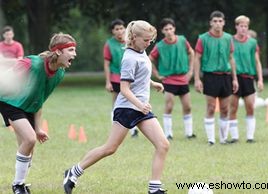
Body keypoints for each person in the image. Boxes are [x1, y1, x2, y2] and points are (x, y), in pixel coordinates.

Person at [63, 20, 169, 194]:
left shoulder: (141, 52)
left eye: (151, 40)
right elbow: (124, 88)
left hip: (141, 108)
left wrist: (152, 83)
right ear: (134, 38)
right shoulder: (129, 57)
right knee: (110, 148)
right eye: (146, 40)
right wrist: (140, 105)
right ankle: (73, 172)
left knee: (163, 145)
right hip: (127, 108)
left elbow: (139, 77)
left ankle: (154, 188)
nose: (149, 43)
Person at [0, 32, 77, 194]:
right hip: (9, 102)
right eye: (70, 50)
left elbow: (39, 100)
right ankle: (18, 186)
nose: (74, 54)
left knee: (28, 147)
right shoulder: (32, 64)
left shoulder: (59, 73)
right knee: (29, 139)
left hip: (27, 106)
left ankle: (21, 182)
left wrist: (38, 127)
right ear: (58, 51)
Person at [194, 10, 239, 145]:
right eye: (215, 21)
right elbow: (197, 58)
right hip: (210, 76)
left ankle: (223, 139)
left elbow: (231, 58)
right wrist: (197, 79)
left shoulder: (228, 38)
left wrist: (235, 78)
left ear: (224, 23)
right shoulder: (203, 38)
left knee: (225, 109)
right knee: (211, 107)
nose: (217, 24)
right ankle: (211, 139)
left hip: (226, 76)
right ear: (210, 23)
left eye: (220, 21)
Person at [149, 18, 195, 140]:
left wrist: (190, 71)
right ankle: (168, 134)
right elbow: (150, 59)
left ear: (174, 29)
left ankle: (189, 133)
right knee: (169, 106)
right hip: (169, 79)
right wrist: (157, 75)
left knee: (188, 106)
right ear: (162, 31)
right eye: (166, 29)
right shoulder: (160, 46)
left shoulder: (182, 41)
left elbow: (192, 52)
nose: (169, 31)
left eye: (170, 28)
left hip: (182, 79)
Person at [228, 15, 264, 143]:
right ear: (236, 26)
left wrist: (260, 79)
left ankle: (250, 137)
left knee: (250, 106)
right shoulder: (230, 40)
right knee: (233, 108)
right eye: (241, 26)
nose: (243, 28)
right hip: (234, 78)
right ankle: (234, 137)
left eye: (245, 26)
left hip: (248, 78)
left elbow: (257, 62)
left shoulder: (252, 43)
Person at [103, 19, 139, 137]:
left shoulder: (131, 42)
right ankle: (115, 128)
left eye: (121, 28)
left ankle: (133, 129)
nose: (119, 31)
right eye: (116, 29)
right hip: (116, 78)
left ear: (125, 29)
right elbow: (107, 64)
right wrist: (108, 82)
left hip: (130, 78)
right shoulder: (109, 44)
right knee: (117, 104)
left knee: (132, 101)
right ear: (113, 31)